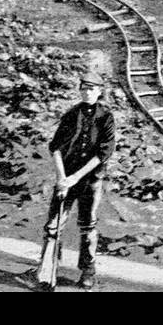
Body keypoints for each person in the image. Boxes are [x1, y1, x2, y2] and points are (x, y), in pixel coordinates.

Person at [43, 71, 117, 290]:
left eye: (91, 88)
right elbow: (55, 147)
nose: (87, 92)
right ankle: (47, 269)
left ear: (100, 91)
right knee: (52, 226)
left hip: (90, 181)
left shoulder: (106, 117)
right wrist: (62, 178)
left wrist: (75, 177)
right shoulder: (71, 114)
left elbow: (104, 152)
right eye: (83, 88)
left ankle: (88, 271)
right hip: (66, 179)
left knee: (88, 225)